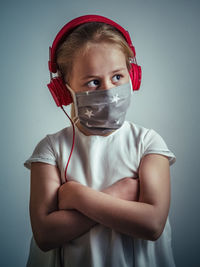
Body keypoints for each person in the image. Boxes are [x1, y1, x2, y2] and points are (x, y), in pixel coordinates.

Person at [24, 15, 176, 267]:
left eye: (117, 77)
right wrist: (120, 193)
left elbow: (152, 224)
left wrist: (77, 196)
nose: (108, 91)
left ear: (133, 75)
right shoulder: (51, 150)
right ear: (64, 90)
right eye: (93, 82)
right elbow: (45, 234)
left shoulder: (148, 142)